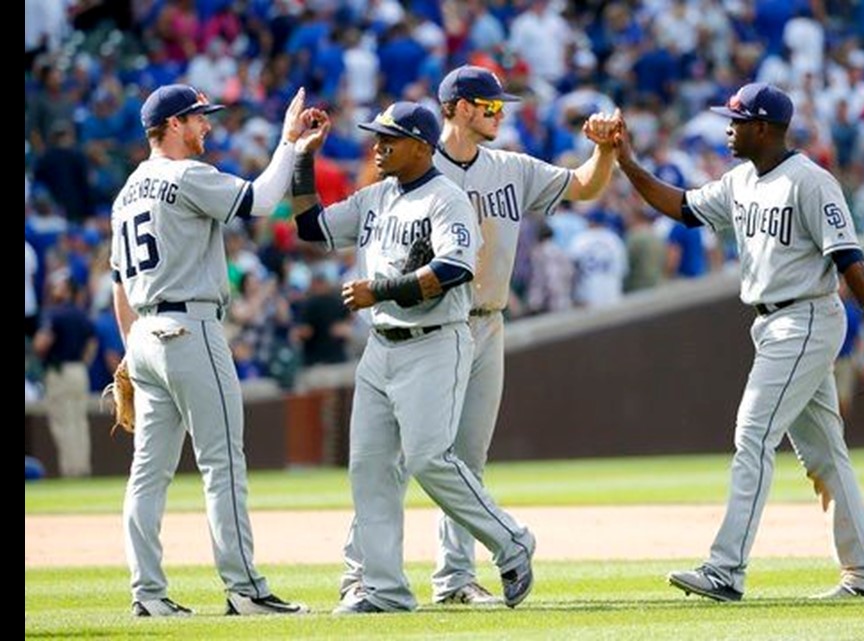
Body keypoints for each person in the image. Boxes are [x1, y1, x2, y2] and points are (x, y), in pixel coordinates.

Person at [341, 64, 619, 606]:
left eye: (500, 107)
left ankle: (455, 578)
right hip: (423, 325)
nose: (499, 114)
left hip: (486, 321)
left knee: (466, 456)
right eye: (490, 106)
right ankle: (365, 574)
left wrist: (605, 151)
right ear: (460, 108)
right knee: (388, 459)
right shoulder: (413, 164)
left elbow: (584, 186)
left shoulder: (509, 167)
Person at [613, 83, 864, 600]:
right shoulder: (740, 180)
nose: (728, 127)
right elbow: (681, 207)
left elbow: (849, 255)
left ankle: (726, 569)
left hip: (805, 316)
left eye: (737, 120)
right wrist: (627, 163)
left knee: (753, 434)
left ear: (763, 128)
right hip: (772, 322)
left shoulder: (810, 181)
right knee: (825, 455)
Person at [290, 100, 536, 614]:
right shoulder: (376, 195)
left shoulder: (447, 198)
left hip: (434, 341)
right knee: (370, 468)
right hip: (380, 346)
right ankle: (383, 591)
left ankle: (511, 540)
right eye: (377, 136)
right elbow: (311, 228)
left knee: (430, 459)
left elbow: (454, 269)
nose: (378, 146)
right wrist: (302, 156)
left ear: (422, 146)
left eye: (390, 138)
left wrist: (378, 289)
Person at [110, 83, 311, 617]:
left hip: (145, 335)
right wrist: (288, 141)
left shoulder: (126, 191)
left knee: (147, 473)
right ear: (173, 124)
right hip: (189, 326)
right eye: (199, 118)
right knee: (222, 463)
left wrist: (129, 349)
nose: (207, 126)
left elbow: (116, 282)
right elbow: (262, 202)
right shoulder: (186, 174)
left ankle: (147, 594)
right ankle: (245, 589)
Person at [33, 273, 96, 477]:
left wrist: (37, 349)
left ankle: (71, 471)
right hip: (79, 370)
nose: (53, 289)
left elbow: (42, 343)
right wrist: (84, 361)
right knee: (80, 423)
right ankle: (83, 468)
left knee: (63, 423)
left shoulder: (54, 314)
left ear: (66, 290)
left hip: (59, 371)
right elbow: (92, 342)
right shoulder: (81, 314)